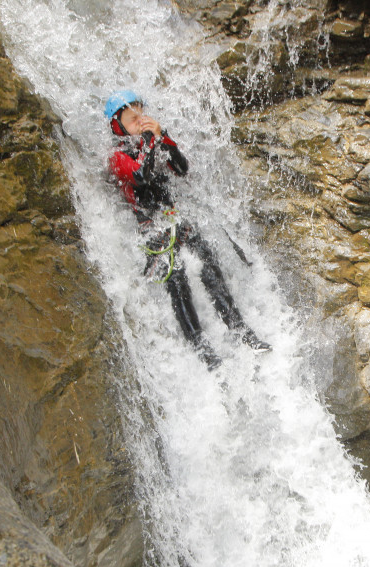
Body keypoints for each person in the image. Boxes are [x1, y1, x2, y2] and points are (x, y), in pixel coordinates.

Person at [105, 90, 270, 370]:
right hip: (151, 231)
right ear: (117, 126)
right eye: (133, 120)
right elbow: (140, 177)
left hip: (175, 220)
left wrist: (162, 137)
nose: (141, 123)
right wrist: (149, 140)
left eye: (141, 116)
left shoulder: (153, 142)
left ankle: (241, 330)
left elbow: (180, 168)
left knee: (209, 265)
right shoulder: (116, 156)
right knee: (178, 281)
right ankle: (202, 348)